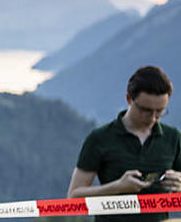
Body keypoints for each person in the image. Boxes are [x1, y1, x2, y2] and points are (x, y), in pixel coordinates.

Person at [67, 66, 181, 221]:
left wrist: (179, 184)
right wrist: (118, 187)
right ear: (129, 99)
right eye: (145, 110)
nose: (153, 118)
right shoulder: (99, 138)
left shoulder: (173, 137)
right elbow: (73, 198)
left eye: (160, 111)